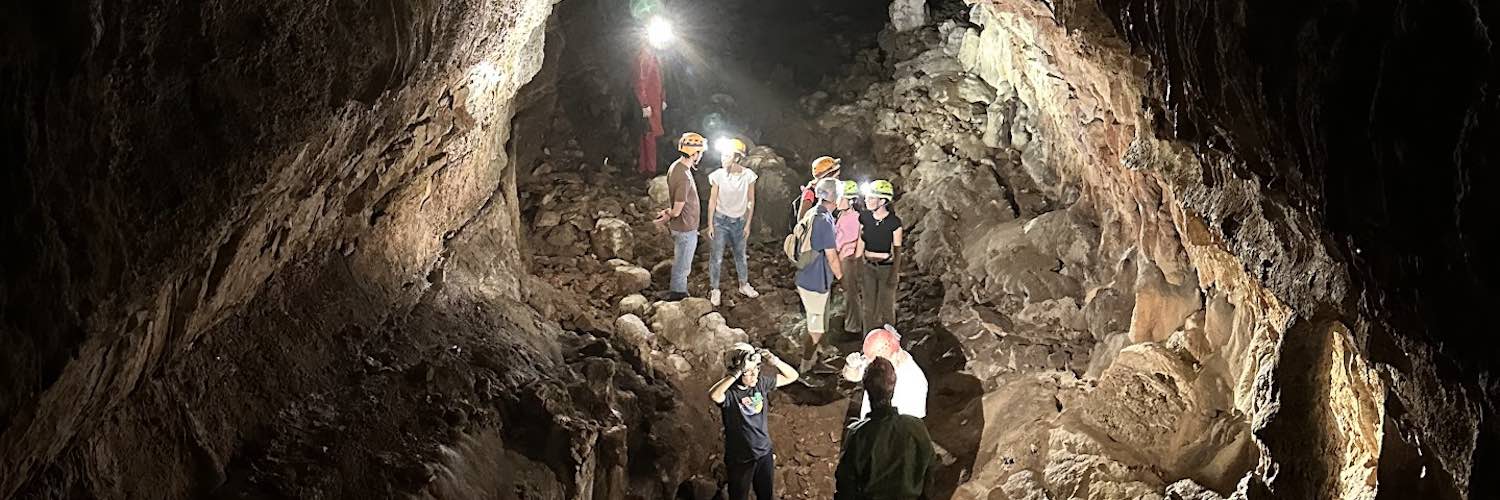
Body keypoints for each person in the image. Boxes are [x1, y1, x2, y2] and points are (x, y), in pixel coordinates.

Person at [834, 356, 934, 500]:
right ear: (894, 386)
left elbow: (846, 486)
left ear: (865, 387)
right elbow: (930, 470)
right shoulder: (915, 426)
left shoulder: (858, 435)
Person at [710, 343, 800, 500]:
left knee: (765, 495)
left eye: (756, 369)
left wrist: (775, 361)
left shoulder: (760, 384)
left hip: (764, 452)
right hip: (740, 458)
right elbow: (714, 395)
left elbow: (792, 376)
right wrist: (737, 372)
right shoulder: (731, 394)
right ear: (737, 372)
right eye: (748, 372)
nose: (754, 374)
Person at [795, 178, 844, 375]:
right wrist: (842, 278)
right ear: (834, 197)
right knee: (816, 330)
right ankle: (805, 368)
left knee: (820, 324)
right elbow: (832, 256)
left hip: (810, 276)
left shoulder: (814, 212)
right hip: (814, 281)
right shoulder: (823, 220)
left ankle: (816, 360)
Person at [706, 138, 760, 306]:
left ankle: (743, 284)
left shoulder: (748, 176)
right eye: (722, 155)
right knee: (716, 257)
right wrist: (710, 224)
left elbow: (751, 200)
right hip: (720, 221)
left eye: (727, 156)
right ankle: (715, 289)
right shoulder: (718, 176)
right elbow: (712, 200)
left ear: (737, 158)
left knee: (740, 256)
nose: (723, 159)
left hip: (739, 221)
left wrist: (748, 223)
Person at [654, 132, 705, 300]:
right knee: (682, 265)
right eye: (700, 153)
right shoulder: (683, 177)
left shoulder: (676, 166)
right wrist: (669, 213)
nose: (701, 156)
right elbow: (677, 210)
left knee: (680, 261)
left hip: (683, 225)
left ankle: (676, 290)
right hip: (685, 228)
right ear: (694, 154)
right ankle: (678, 294)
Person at [842, 325, 928, 419]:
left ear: (895, 355)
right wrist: (851, 367)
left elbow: (912, 424)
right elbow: (851, 376)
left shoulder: (915, 382)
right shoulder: (879, 361)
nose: (874, 366)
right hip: (869, 423)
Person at [857, 179, 903, 333]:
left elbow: (897, 250)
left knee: (886, 307)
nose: (867, 200)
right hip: (868, 267)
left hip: (886, 269)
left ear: (882, 201)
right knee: (868, 308)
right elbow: (860, 241)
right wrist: (858, 264)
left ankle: (890, 341)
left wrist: (894, 274)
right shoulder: (865, 218)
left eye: (871, 198)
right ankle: (868, 341)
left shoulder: (894, 223)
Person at [835, 180, 864, 334]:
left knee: (850, 292)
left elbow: (855, 240)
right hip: (842, 257)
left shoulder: (855, 217)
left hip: (849, 258)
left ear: (851, 200)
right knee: (847, 291)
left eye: (842, 198)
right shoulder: (842, 215)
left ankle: (854, 327)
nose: (838, 201)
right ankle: (852, 323)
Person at [634, 43, 666, 175]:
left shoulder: (656, 57)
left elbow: (661, 79)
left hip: (655, 102)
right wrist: (644, 104)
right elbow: (639, 82)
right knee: (648, 134)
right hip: (649, 103)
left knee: (649, 134)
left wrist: (663, 98)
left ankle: (647, 167)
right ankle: (649, 168)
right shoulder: (644, 57)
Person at [793, 156, 843, 226]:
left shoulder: (829, 189)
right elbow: (802, 220)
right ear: (828, 175)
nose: (838, 178)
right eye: (836, 174)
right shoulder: (810, 192)